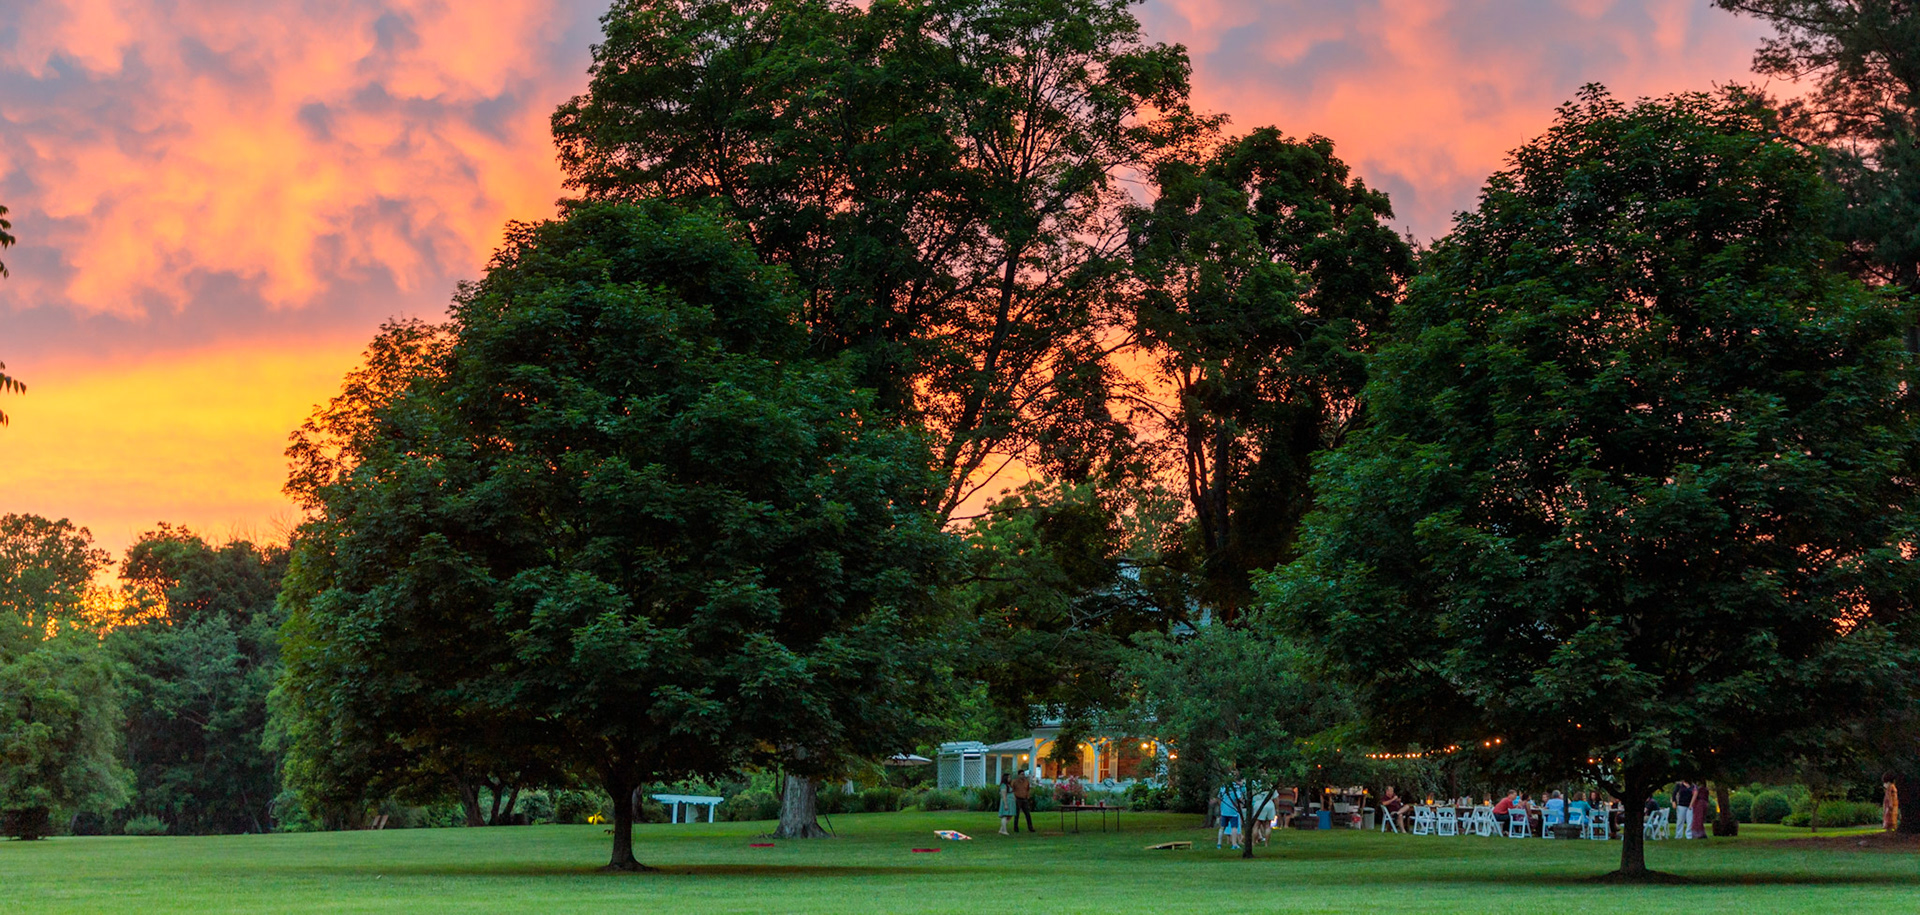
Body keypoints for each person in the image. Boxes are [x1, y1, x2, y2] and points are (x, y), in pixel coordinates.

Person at [1218, 782, 1245, 849]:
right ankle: (1234, 844)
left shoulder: (1223, 787)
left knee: (1222, 827)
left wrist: (1221, 807)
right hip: (1233, 810)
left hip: (1224, 810)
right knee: (1234, 827)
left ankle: (1219, 844)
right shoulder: (1235, 788)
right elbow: (1239, 798)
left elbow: (1219, 798)